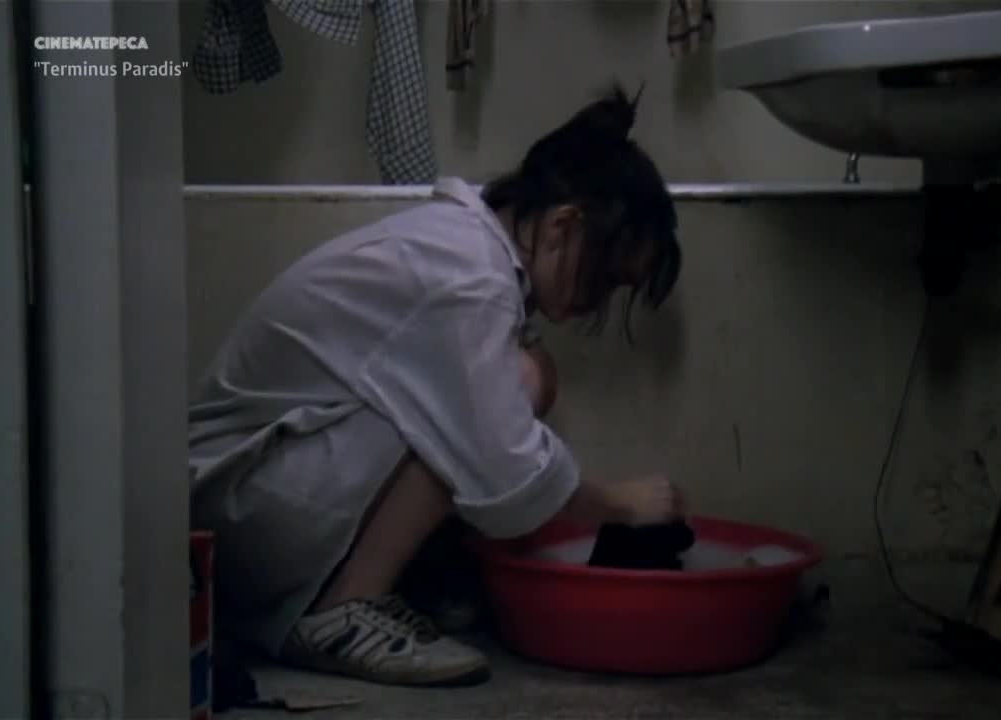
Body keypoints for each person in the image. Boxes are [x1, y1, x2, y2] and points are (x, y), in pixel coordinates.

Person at [188, 85, 686, 687]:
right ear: (562, 226)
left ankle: (386, 582)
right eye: (606, 278)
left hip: (250, 493)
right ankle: (344, 610)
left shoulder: (465, 251)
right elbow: (504, 466)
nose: (598, 302)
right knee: (500, 394)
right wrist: (619, 504)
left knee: (521, 377)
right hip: (238, 508)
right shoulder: (467, 276)